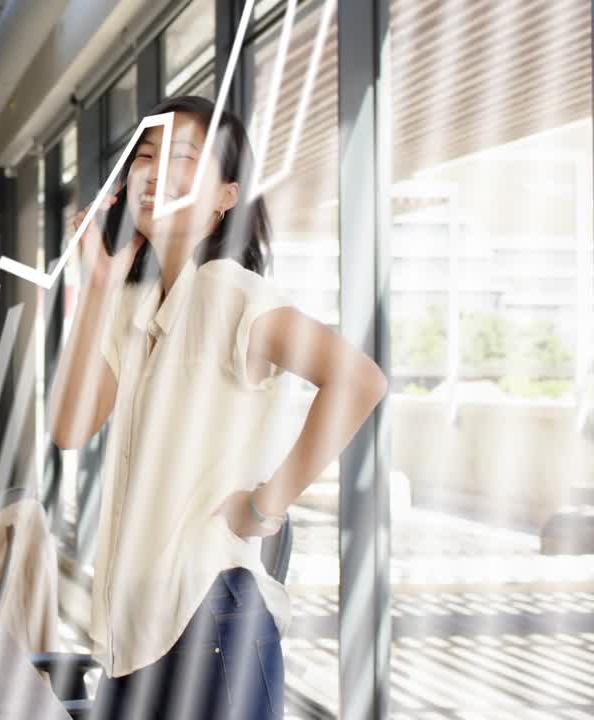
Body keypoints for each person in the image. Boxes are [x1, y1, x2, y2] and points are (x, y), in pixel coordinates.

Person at [48, 95, 387, 718]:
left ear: (226, 196)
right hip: (135, 633)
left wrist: (267, 501)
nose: (153, 172)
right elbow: (69, 428)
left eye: (182, 158)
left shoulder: (228, 290)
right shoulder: (136, 305)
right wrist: (96, 289)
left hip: (211, 619)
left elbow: (358, 380)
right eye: (145, 156)